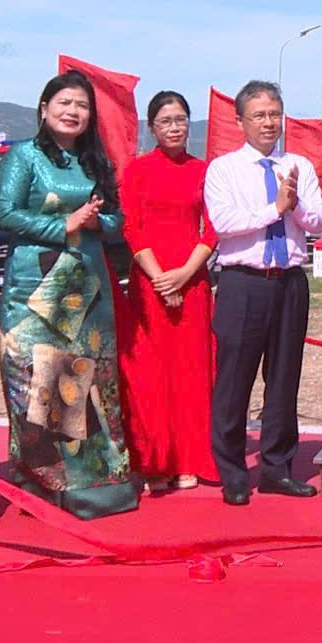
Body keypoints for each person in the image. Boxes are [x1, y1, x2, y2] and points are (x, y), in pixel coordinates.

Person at [0, 71, 137, 519]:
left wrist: (95, 223)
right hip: (36, 286)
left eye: (82, 105)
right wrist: (64, 225)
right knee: (38, 381)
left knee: (81, 381)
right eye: (64, 103)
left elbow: (117, 219)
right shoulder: (24, 155)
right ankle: (43, 480)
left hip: (87, 287)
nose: (73, 111)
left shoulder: (96, 161)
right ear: (44, 108)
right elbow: (5, 214)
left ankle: (89, 486)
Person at [203, 81, 322, 505]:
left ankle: (277, 468)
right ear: (240, 121)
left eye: (274, 114)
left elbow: (320, 220)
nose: (269, 122)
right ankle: (233, 472)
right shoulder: (224, 169)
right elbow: (224, 223)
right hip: (243, 283)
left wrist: (295, 205)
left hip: (289, 282)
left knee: (283, 380)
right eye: (259, 115)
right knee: (234, 381)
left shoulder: (298, 165)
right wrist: (274, 209)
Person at [116, 90, 219, 493]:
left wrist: (185, 275)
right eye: (165, 121)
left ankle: (190, 458)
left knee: (192, 373)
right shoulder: (137, 170)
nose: (174, 128)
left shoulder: (204, 170)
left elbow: (212, 230)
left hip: (193, 282)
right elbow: (132, 228)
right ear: (152, 127)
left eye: (180, 120)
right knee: (151, 374)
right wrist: (161, 280)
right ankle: (154, 459)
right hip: (149, 283)